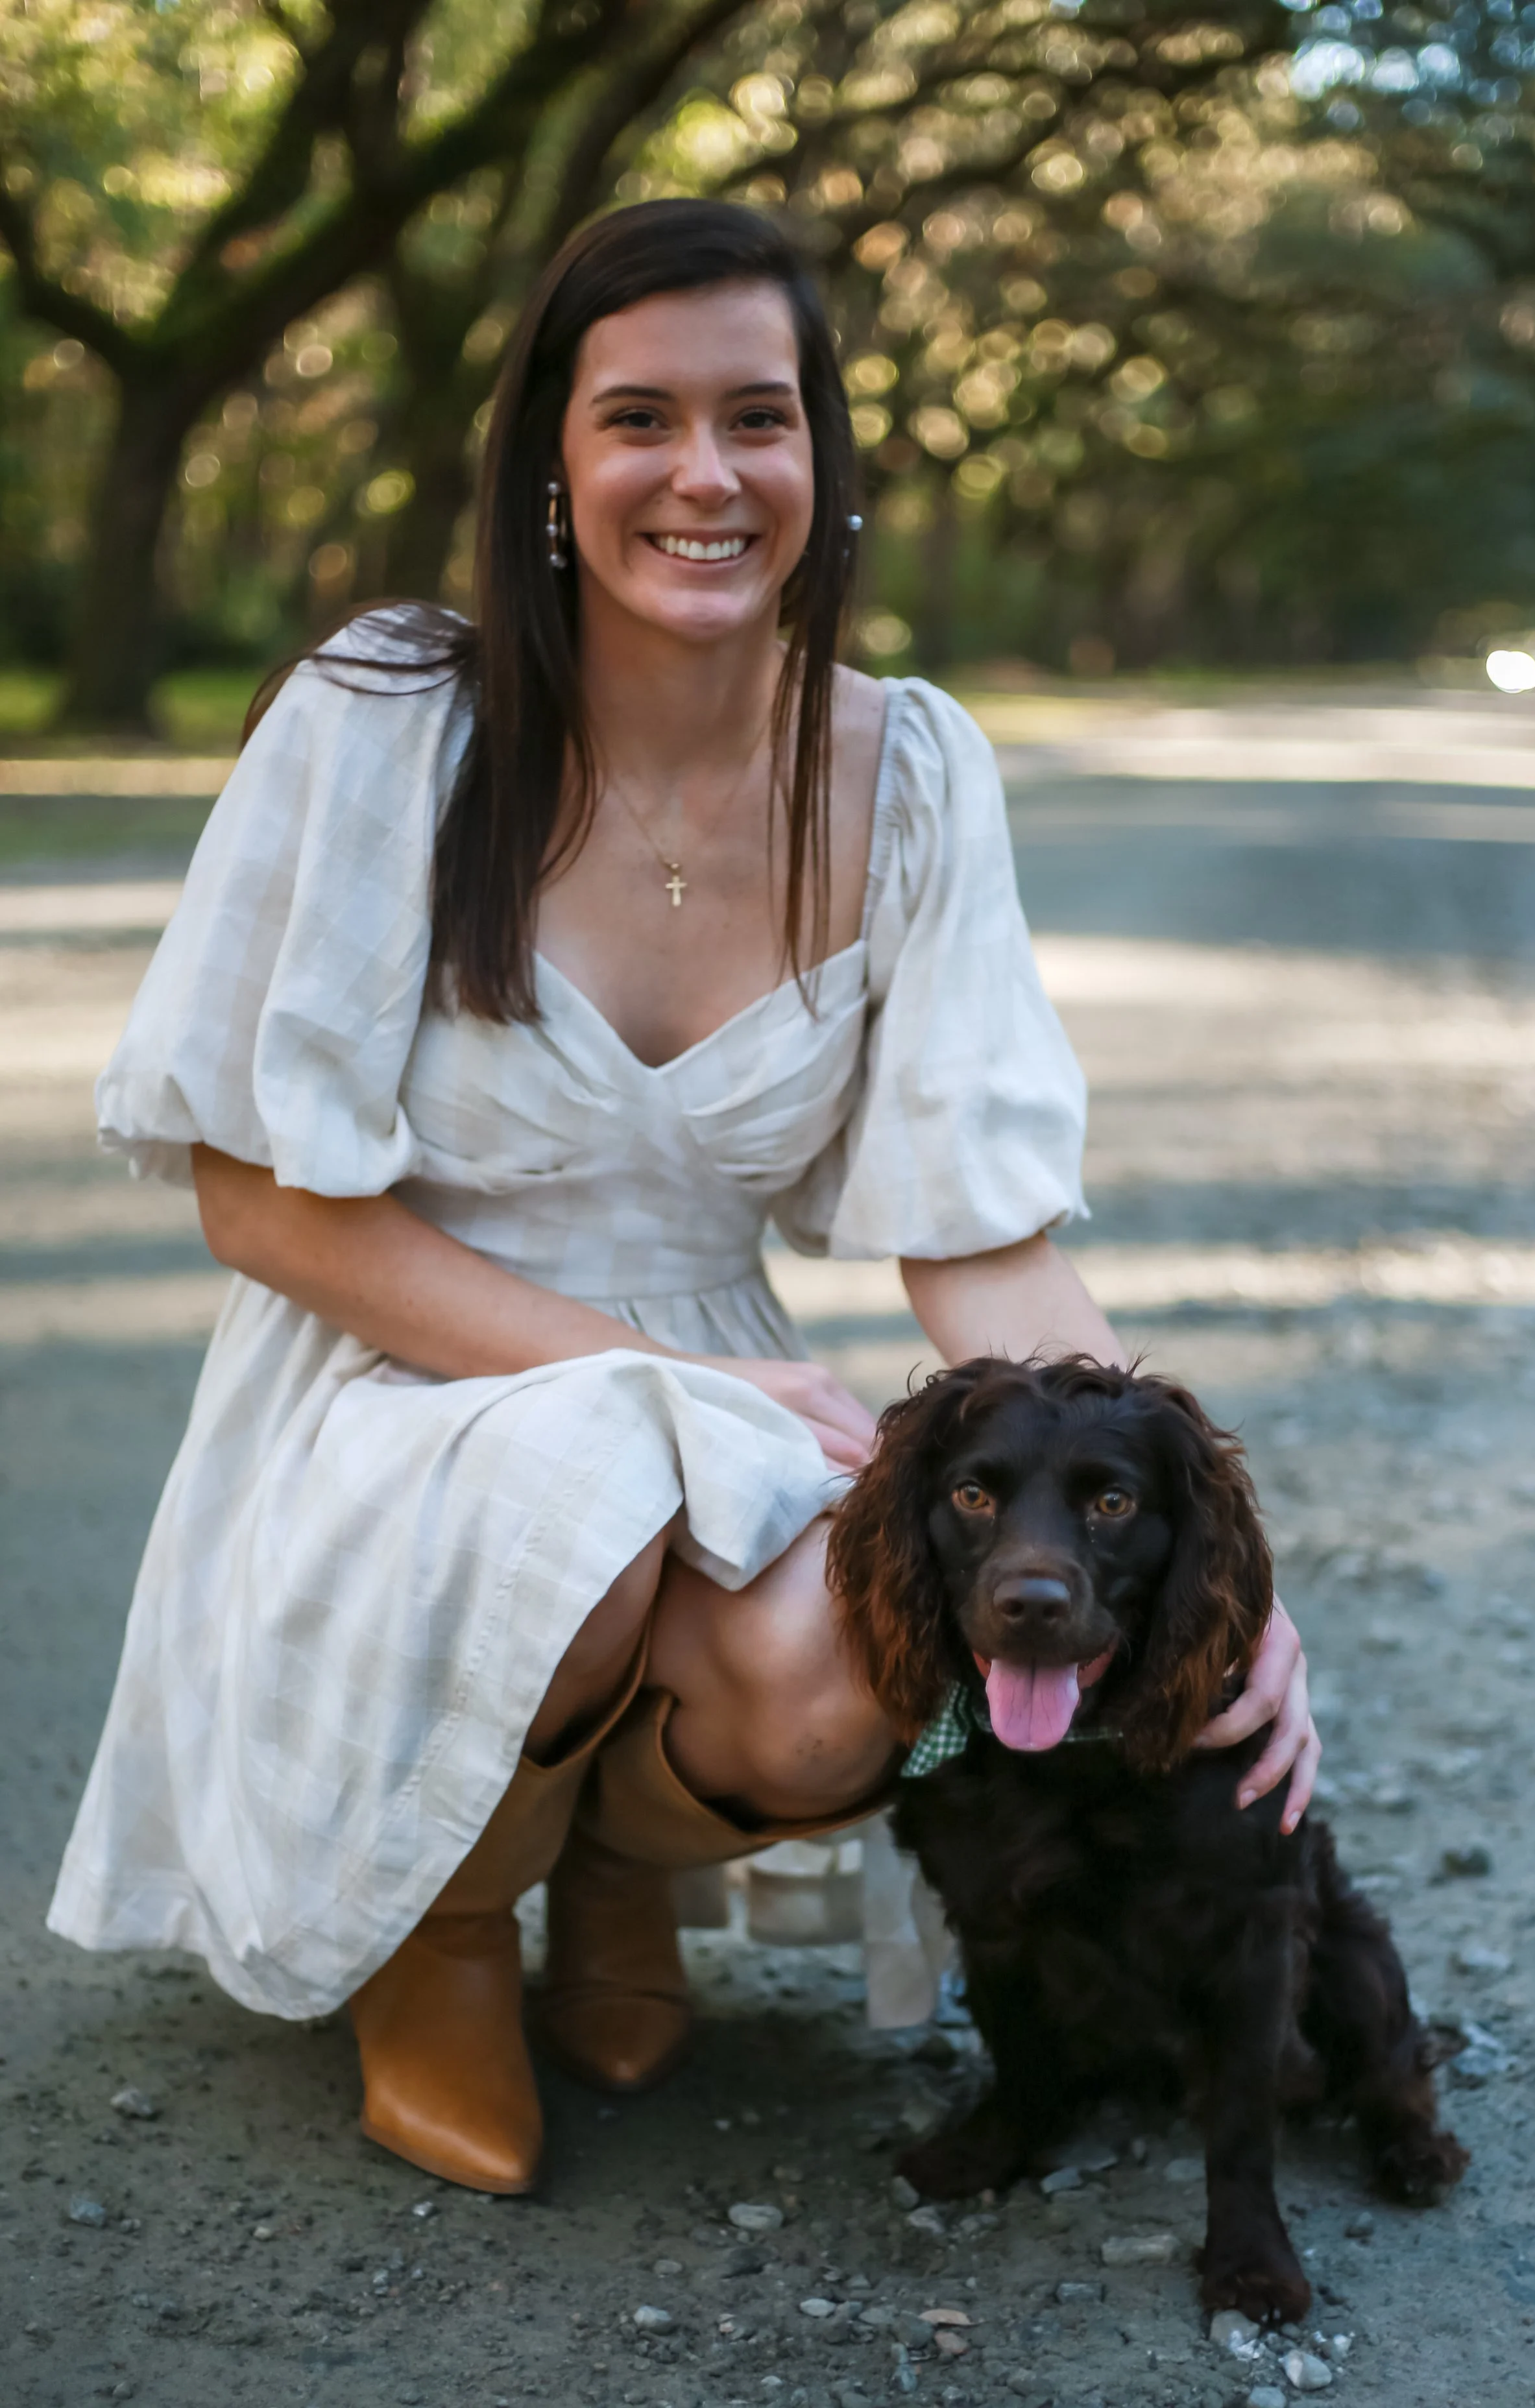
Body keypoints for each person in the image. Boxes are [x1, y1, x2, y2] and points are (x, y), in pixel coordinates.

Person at [50, 200, 1318, 2199]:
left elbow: (978, 1239)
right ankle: (449, 1932)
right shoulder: (390, 719)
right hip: (394, 1375)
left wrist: (1232, 1566)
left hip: (700, 1385)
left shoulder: (905, 770)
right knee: (584, 1479)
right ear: (552, 465)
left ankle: (600, 1870)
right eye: (638, 418)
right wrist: (648, 1381)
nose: (704, 475)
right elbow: (264, 1208)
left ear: (823, 455)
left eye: (759, 417)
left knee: (857, 1667)